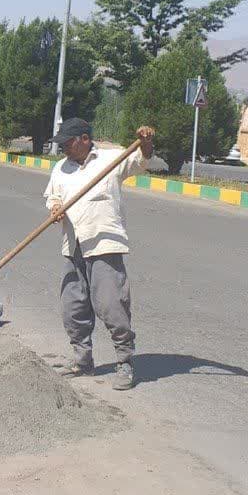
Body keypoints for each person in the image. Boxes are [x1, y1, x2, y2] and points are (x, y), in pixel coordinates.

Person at [44, 118, 155, 390]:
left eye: (68, 143)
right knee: (73, 307)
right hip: (73, 246)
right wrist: (55, 206)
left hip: (104, 245)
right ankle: (83, 360)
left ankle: (125, 362)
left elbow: (142, 161)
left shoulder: (112, 159)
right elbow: (52, 195)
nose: (64, 150)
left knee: (111, 305)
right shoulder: (61, 168)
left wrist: (146, 141)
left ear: (84, 139)